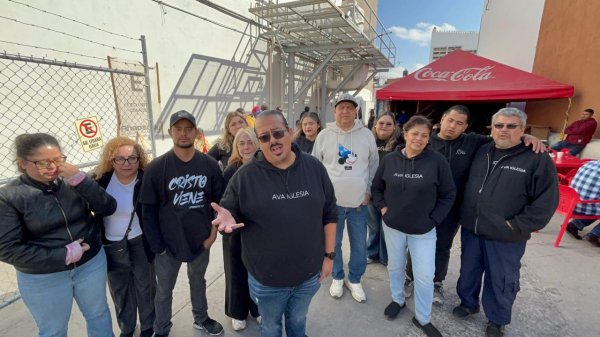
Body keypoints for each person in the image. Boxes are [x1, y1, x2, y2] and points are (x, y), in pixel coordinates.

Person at [212, 110, 337, 337]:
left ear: (289, 132)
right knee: (270, 326)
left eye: (278, 133)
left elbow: (329, 213)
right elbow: (229, 211)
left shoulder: (314, 168)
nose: (273, 141)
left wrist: (329, 256)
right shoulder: (244, 176)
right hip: (267, 280)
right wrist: (227, 220)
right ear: (259, 142)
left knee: (298, 321)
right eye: (265, 137)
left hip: (309, 274)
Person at [405, 105, 545, 306]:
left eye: (459, 123)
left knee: (442, 246)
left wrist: (526, 138)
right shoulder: (426, 140)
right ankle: (410, 278)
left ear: (466, 127)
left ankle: (436, 282)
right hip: (422, 207)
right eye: (450, 120)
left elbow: (502, 137)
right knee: (416, 244)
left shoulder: (473, 142)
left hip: (452, 210)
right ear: (442, 119)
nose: (453, 126)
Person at [453, 107, 558, 337]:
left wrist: (517, 225)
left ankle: (497, 319)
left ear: (523, 130)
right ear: (492, 128)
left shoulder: (536, 158)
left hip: (506, 235)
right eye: (499, 125)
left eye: (512, 126)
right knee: (468, 271)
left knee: (501, 279)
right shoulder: (482, 150)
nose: (504, 130)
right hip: (473, 228)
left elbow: (546, 201)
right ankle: (468, 304)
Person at [0, 133, 117, 337]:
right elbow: (7, 248)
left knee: (98, 314)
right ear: (22, 164)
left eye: (58, 160)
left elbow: (107, 207)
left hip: (90, 264)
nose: (53, 167)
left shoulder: (73, 182)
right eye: (44, 163)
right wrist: (63, 255)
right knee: (53, 330)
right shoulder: (10, 196)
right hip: (43, 276)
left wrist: (80, 180)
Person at [140, 110, 225, 337]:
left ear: (196, 133)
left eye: (189, 129)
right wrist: (158, 246)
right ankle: (161, 329)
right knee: (164, 290)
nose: (184, 133)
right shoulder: (157, 168)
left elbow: (218, 204)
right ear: (170, 132)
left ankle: (201, 317)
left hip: (201, 239)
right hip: (168, 244)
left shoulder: (209, 165)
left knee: (198, 281)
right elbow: (147, 211)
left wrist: (213, 234)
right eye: (178, 129)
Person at [372, 116, 455, 337]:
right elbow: (376, 187)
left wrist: (434, 219)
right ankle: (398, 300)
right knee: (395, 266)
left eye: (424, 135)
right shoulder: (390, 160)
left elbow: (449, 194)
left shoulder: (437, 161)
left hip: (424, 229)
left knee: (425, 275)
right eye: (415, 133)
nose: (419, 139)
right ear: (405, 134)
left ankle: (422, 317)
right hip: (393, 226)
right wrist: (382, 208)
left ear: (429, 138)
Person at [312, 93, 379, 303]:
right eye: (341, 108)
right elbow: (315, 166)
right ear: (334, 111)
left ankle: (355, 279)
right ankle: (338, 277)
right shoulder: (324, 135)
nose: (345, 111)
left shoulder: (367, 134)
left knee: (360, 245)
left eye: (350, 108)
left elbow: (374, 165)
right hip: (332, 205)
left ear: (356, 111)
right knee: (334, 243)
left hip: (359, 203)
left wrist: (368, 191)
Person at [94, 137, 156, 337]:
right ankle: (127, 327)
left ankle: (148, 326)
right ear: (111, 161)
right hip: (112, 244)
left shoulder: (146, 179)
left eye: (132, 158)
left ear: (139, 159)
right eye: (120, 159)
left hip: (140, 241)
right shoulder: (101, 180)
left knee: (145, 286)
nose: (126, 163)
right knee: (120, 290)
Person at [221, 127, 261, 331]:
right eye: (241, 143)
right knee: (236, 270)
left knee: (257, 271)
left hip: (258, 230)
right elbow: (225, 203)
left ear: (257, 143)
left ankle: (257, 308)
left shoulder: (264, 166)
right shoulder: (231, 170)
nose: (246, 147)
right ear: (236, 146)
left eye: (250, 142)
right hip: (235, 231)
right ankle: (237, 312)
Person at [366, 112, 402, 266]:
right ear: (375, 125)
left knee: (387, 226)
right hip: (371, 191)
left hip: (390, 193)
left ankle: (386, 257)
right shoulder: (368, 142)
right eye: (381, 123)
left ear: (394, 127)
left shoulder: (399, 145)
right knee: (373, 226)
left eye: (388, 124)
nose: (384, 126)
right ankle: (371, 253)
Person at [564, 160, 600, 247]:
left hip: (571, 203)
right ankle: (595, 234)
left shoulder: (589, 163)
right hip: (588, 206)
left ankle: (574, 224)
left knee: (593, 202)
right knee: (594, 204)